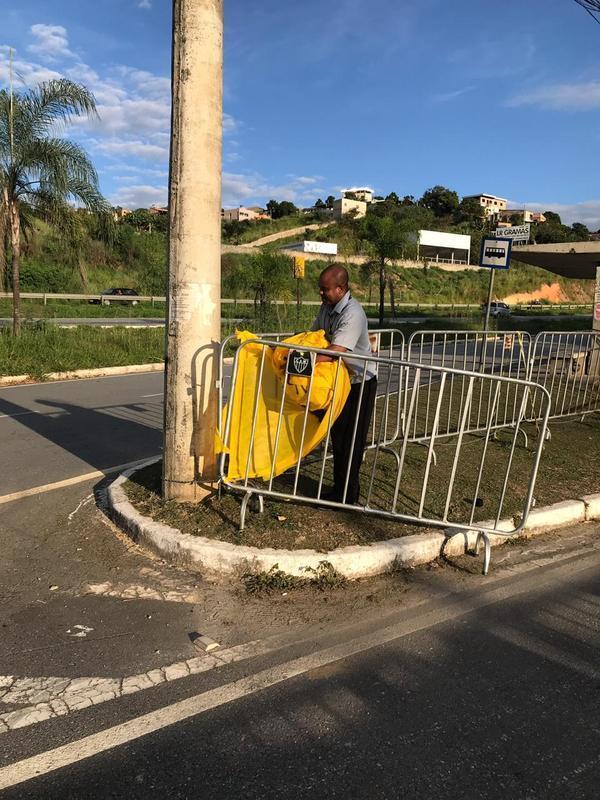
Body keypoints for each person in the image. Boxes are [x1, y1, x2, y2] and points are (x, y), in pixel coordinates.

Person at [310, 264, 377, 505]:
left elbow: (335, 351)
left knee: (352, 440)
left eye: (325, 289)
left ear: (341, 288)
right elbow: (314, 336)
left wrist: (302, 362)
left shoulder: (353, 313)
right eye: (320, 289)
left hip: (360, 382)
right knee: (338, 438)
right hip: (339, 382)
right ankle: (339, 490)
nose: (321, 293)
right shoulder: (326, 308)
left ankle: (348, 496)